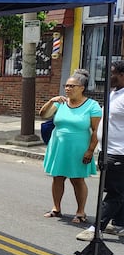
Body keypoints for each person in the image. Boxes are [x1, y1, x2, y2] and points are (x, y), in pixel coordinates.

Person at [40, 69, 101, 224]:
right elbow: (43, 115)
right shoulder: (61, 103)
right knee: (57, 177)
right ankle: (56, 208)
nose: (67, 88)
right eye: (66, 85)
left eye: (72, 86)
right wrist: (51, 101)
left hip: (79, 148)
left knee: (77, 179)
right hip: (58, 146)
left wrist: (90, 150)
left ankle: (81, 212)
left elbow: (96, 131)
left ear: (82, 88)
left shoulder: (92, 106)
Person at [77, 61, 124, 241]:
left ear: (121, 75)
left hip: (119, 153)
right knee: (120, 190)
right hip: (108, 150)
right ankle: (119, 224)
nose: (107, 77)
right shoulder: (114, 93)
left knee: (114, 192)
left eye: (111, 73)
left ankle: (96, 228)